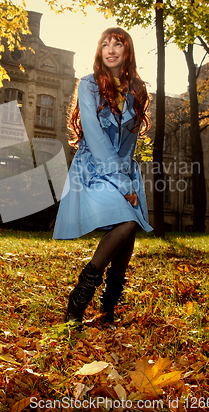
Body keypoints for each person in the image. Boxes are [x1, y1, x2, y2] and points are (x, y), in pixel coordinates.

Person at [53, 27, 152, 327]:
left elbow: (130, 142)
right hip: (93, 168)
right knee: (128, 222)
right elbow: (95, 138)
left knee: (130, 230)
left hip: (123, 167)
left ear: (127, 51)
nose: (110, 49)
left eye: (117, 44)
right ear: (99, 50)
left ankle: (107, 311)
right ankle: (79, 298)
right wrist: (122, 185)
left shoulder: (138, 89)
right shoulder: (87, 84)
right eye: (105, 44)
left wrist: (128, 180)